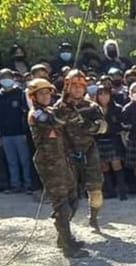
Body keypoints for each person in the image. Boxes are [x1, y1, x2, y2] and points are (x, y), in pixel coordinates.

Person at [28, 78, 87, 258]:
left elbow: (73, 119)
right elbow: (54, 122)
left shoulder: (52, 110)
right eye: (42, 93)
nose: (46, 96)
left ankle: (64, 236)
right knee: (61, 203)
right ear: (34, 96)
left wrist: (68, 104)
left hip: (64, 159)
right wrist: (64, 106)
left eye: (48, 92)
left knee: (73, 199)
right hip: (49, 162)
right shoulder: (35, 114)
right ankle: (67, 245)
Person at [54, 69, 107, 231]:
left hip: (89, 150)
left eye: (81, 86)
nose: (77, 89)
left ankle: (93, 217)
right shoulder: (58, 107)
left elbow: (103, 127)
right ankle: (64, 229)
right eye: (74, 86)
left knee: (95, 188)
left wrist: (85, 123)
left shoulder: (92, 106)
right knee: (69, 192)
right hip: (67, 153)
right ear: (67, 87)